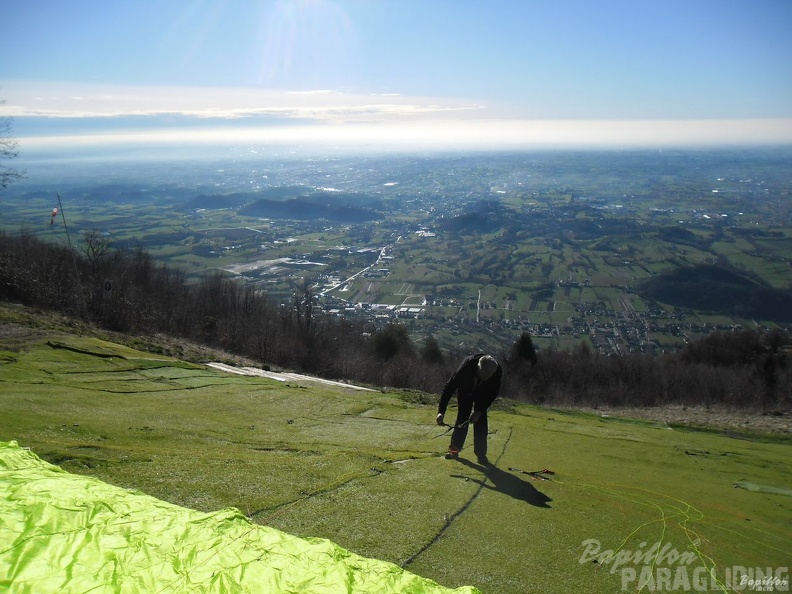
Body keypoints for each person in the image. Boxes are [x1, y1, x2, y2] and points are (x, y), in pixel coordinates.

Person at [436, 353, 502, 464]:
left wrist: (479, 411)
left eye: (489, 375)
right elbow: (449, 387)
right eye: (484, 375)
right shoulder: (467, 366)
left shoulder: (496, 372)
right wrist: (441, 411)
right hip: (466, 389)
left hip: (483, 395)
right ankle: (454, 451)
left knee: (481, 422)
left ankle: (481, 455)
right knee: (462, 417)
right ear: (478, 367)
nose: (487, 377)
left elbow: (492, 394)